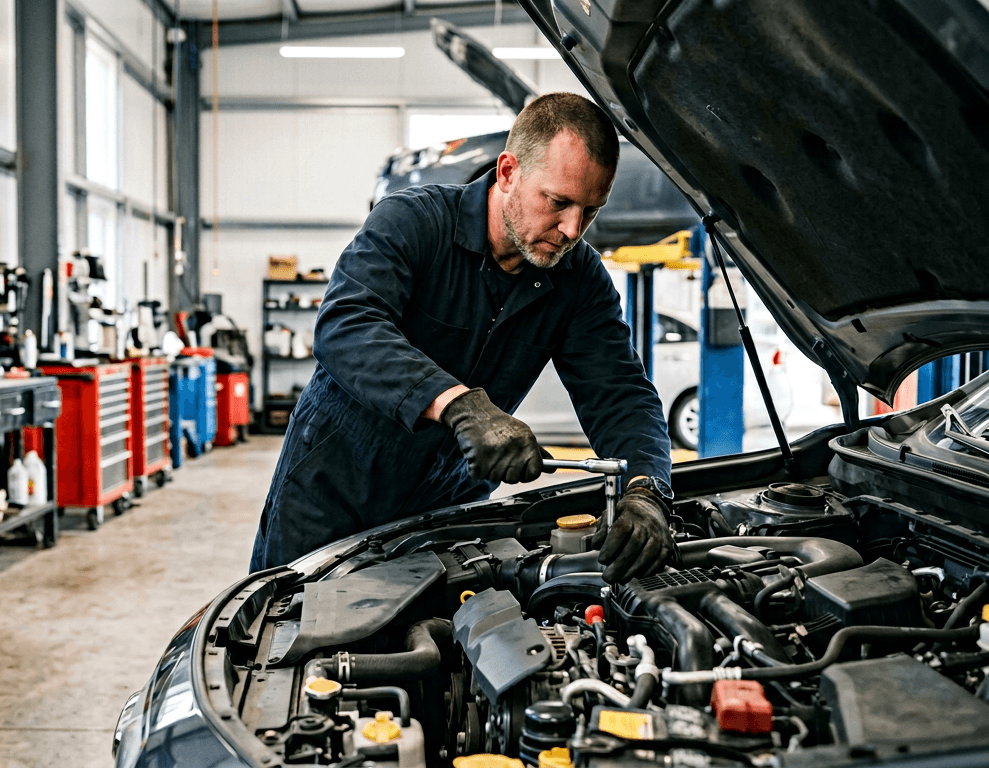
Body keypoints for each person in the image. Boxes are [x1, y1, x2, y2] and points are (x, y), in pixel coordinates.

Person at [250, 93, 674, 583]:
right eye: (558, 202)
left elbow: (619, 393)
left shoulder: (579, 280)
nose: (572, 229)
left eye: (590, 211)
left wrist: (646, 491)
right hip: (331, 491)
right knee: (290, 636)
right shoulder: (412, 223)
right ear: (509, 172)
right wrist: (460, 406)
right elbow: (348, 324)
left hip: (444, 509)